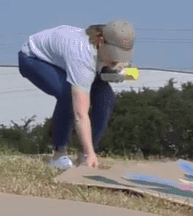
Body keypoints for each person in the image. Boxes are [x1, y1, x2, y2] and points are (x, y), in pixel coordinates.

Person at [17, 21, 136, 170]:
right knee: (68, 94)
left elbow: (132, 73)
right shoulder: (82, 55)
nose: (117, 59)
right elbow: (80, 114)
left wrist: (121, 73)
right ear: (100, 41)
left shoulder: (110, 50)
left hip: (67, 62)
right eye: (114, 54)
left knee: (107, 99)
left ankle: (82, 156)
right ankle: (59, 155)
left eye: (122, 55)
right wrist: (89, 152)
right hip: (34, 59)